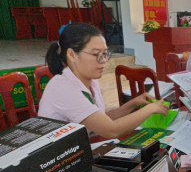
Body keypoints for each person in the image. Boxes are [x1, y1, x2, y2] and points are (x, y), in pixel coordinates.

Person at [38, 23, 169, 139]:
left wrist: (133, 103)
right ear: (71, 55)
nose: (103, 61)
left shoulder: (91, 81)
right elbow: (111, 130)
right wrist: (150, 109)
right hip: (56, 161)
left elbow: (103, 120)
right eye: (96, 54)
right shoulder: (62, 87)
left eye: (105, 54)